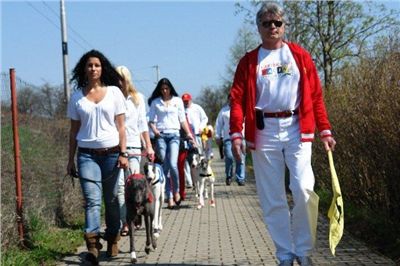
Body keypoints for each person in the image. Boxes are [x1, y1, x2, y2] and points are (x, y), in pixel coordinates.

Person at [229, 2, 337, 266]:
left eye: (277, 23)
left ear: (284, 25)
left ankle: (303, 249)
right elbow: (237, 99)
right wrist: (236, 133)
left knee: (302, 189)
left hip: (296, 129)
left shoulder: (299, 56)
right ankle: (285, 254)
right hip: (264, 131)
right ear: (259, 28)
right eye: (267, 23)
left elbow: (315, 95)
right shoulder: (249, 61)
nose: (273, 28)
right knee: (273, 197)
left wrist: (325, 129)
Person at [66, 50, 128, 264]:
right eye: (90, 65)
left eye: (97, 65)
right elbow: (73, 132)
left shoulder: (114, 93)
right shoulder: (76, 97)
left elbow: (121, 127)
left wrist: (124, 153)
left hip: (112, 155)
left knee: (111, 200)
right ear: (84, 68)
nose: (93, 68)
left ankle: (112, 238)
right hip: (86, 156)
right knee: (92, 200)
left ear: (103, 69)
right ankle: (92, 245)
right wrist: (69, 159)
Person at [115, 65, 155, 237]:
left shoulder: (137, 99)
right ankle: (125, 222)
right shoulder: (111, 97)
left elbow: (142, 125)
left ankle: (137, 214)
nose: (119, 82)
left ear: (127, 80)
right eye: (116, 78)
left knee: (134, 185)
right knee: (120, 187)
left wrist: (149, 146)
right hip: (115, 147)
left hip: (133, 146)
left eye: (121, 78)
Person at [148, 78, 194, 209]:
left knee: (173, 164)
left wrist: (189, 134)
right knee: (165, 166)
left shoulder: (177, 101)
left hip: (174, 135)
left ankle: (177, 191)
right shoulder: (155, 102)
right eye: (162, 89)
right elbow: (151, 120)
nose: (164, 91)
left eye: (166, 88)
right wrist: (156, 131)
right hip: (161, 135)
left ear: (170, 88)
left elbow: (182, 120)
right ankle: (169, 196)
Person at [215, 95, 246, 186]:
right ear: (228, 99)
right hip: (228, 138)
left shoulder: (242, 109)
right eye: (230, 98)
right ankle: (228, 175)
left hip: (241, 137)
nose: (232, 100)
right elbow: (219, 124)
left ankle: (240, 178)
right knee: (229, 157)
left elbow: (246, 122)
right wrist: (217, 136)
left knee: (241, 158)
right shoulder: (223, 111)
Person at [181, 93, 208, 190]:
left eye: (187, 101)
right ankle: (189, 181)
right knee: (186, 160)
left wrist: (201, 127)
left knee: (199, 157)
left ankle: (201, 177)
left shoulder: (197, 108)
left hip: (197, 136)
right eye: (184, 101)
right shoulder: (181, 109)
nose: (186, 102)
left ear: (191, 100)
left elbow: (205, 118)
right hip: (185, 138)